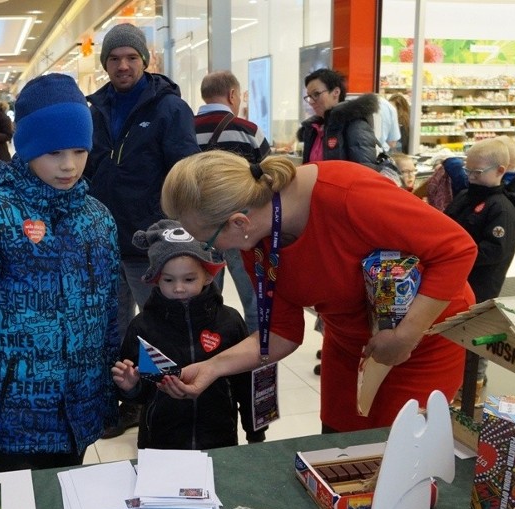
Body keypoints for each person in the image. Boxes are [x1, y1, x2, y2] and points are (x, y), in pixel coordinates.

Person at [157, 151, 478, 433]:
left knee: (398, 457)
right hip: (352, 342)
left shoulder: (348, 194)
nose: (213, 252)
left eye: (209, 243)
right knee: (338, 447)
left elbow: (457, 250)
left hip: (424, 337)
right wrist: (212, 367)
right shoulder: (255, 239)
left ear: (238, 222)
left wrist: (405, 336)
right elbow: (281, 333)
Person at [0, 73, 120, 473]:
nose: (69, 165)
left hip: (81, 413)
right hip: (15, 420)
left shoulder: (98, 219)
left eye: (79, 150)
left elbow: (108, 317)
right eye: (53, 152)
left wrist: (107, 401)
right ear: (27, 147)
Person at [85, 23, 200, 438]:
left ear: (144, 61)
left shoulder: (169, 109)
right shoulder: (94, 108)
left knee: (158, 326)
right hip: (101, 241)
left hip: (150, 243)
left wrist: (176, 231)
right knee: (111, 326)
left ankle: (163, 399)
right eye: (114, 58)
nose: (123, 65)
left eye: (131, 57)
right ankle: (124, 400)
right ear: (105, 64)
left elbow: (185, 173)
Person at [112, 220, 265, 448]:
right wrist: (130, 387)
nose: (179, 288)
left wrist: (256, 433)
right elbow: (142, 394)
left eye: (189, 279)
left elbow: (247, 382)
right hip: (161, 443)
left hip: (219, 439)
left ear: (209, 276)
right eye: (168, 280)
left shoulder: (230, 322)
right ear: (155, 279)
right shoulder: (143, 327)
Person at [444, 139, 515, 386]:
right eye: (467, 171)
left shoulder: (503, 209)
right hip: (457, 281)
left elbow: (494, 251)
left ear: (500, 171)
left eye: (477, 172)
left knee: (477, 334)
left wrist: (457, 255)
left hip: (480, 286)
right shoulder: (465, 196)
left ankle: (475, 382)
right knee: (454, 334)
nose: (471, 177)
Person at [195, 69, 271, 334]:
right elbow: (270, 178)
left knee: (203, 300)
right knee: (253, 301)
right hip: (244, 230)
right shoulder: (249, 131)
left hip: (201, 230)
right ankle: (256, 359)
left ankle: (208, 355)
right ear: (232, 94)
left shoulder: (186, 129)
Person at [298, 68, 379, 168]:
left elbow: (366, 172)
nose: (311, 101)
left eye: (316, 94)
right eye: (309, 96)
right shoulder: (313, 129)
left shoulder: (355, 124)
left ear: (336, 92)